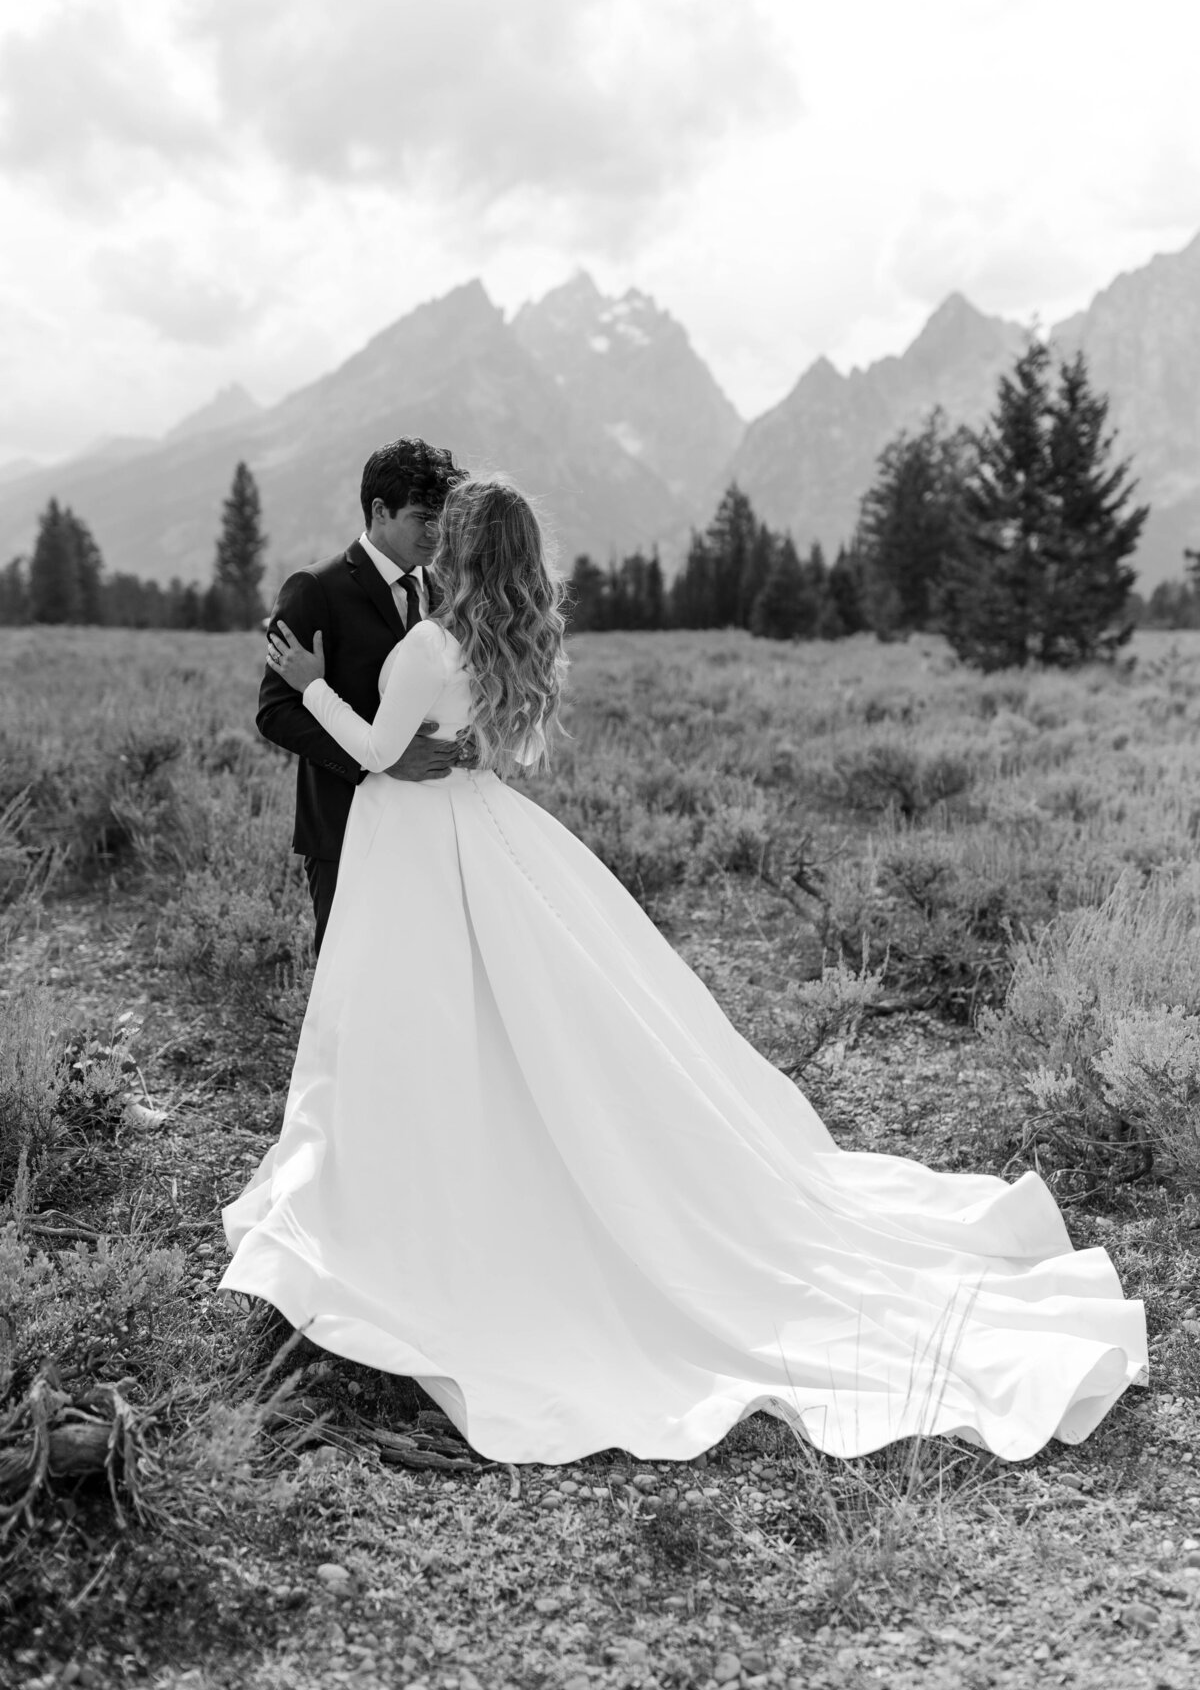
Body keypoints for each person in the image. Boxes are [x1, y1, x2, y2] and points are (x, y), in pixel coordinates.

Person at [221, 474, 1147, 1467]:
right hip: (481, 832)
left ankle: (401, 1222)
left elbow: (368, 751)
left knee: (417, 1025)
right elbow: (470, 747)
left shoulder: (426, 646)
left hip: (413, 849)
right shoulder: (498, 648)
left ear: (454, 551)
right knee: (500, 1023)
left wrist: (311, 679)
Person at [257, 436, 469, 953]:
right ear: (379, 510)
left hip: (430, 821)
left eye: (444, 518)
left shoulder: (444, 593)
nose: (436, 533)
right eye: (423, 517)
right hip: (343, 821)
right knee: (347, 973)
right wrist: (377, 761)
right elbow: (275, 712)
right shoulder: (314, 588)